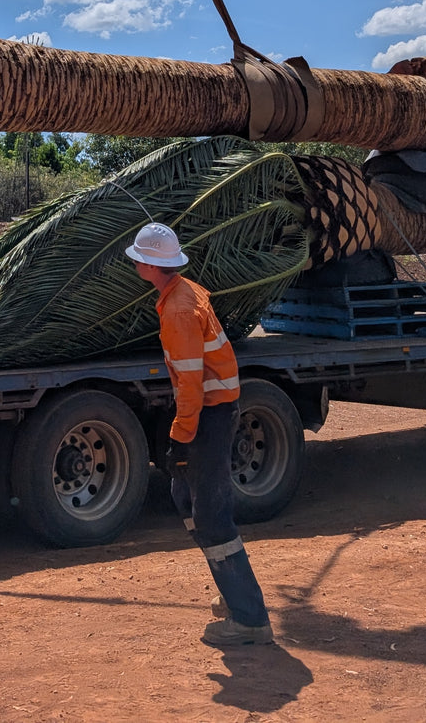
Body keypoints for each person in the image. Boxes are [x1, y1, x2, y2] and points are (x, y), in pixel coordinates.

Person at [125, 221, 274, 649]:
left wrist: (180, 438)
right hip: (214, 412)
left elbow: (190, 386)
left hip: (208, 416)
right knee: (184, 497)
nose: (135, 262)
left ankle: (249, 619)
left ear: (151, 264)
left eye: (139, 257)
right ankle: (233, 592)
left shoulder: (177, 311)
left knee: (210, 515)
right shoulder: (187, 292)